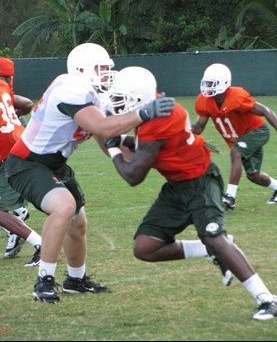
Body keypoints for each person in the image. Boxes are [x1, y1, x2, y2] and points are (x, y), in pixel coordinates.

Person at [4, 43, 175, 303]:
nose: (107, 74)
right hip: (26, 162)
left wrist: (142, 151)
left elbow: (106, 139)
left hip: (54, 164)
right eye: (102, 69)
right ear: (82, 69)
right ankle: (44, 281)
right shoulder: (70, 88)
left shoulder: (93, 96)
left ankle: (76, 280)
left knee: (77, 222)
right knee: (63, 206)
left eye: (108, 69)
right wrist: (142, 114)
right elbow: (103, 127)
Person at [104, 66, 277, 321]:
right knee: (145, 247)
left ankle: (267, 299)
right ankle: (208, 250)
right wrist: (125, 139)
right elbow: (151, 146)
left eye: (122, 99)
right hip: (177, 185)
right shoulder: (161, 106)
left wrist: (113, 148)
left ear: (141, 97)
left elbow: (133, 175)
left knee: (214, 237)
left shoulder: (157, 122)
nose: (117, 105)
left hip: (201, 181)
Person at [192, 63, 277, 212]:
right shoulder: (205, 101)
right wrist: (182, 133)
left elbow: (265, 110)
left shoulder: (236, 96)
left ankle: (230, 197)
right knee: (254, 175)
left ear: (224, 83)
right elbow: (198, 127)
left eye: (212, 83)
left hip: (257, 131)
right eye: (207, 82)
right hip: (240, 137)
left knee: (236, 152)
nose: (208, 86)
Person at [0, 57, 41, 265]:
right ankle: (18, 215)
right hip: (18, 146)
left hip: (9, 154)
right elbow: (25, 104)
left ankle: (40, 243)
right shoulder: (5, 90)